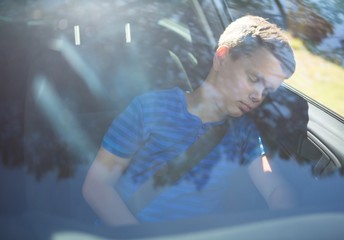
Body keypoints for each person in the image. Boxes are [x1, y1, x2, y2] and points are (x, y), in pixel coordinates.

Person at [82, 15, 297, 226]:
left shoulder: (244, 133)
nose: (258, 95)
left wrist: (288, 222)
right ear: (221, 57)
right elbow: (97, 186)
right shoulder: (150, 108)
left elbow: (273, 184)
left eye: (267, 90)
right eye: (253, 78)